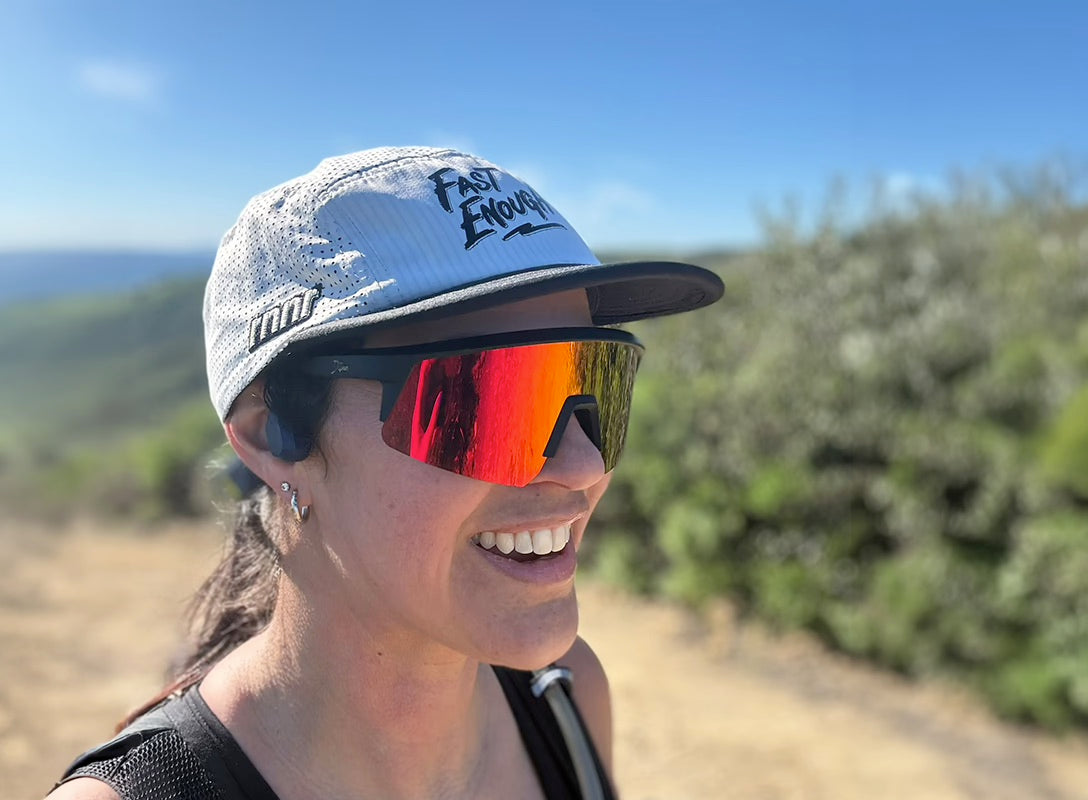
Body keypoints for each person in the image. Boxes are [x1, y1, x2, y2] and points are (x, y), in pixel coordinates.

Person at [48, 146, 723, 800]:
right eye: (483, 401)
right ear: (272, 434)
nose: (583, 465)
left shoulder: (569, 697)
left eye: (597, 382)